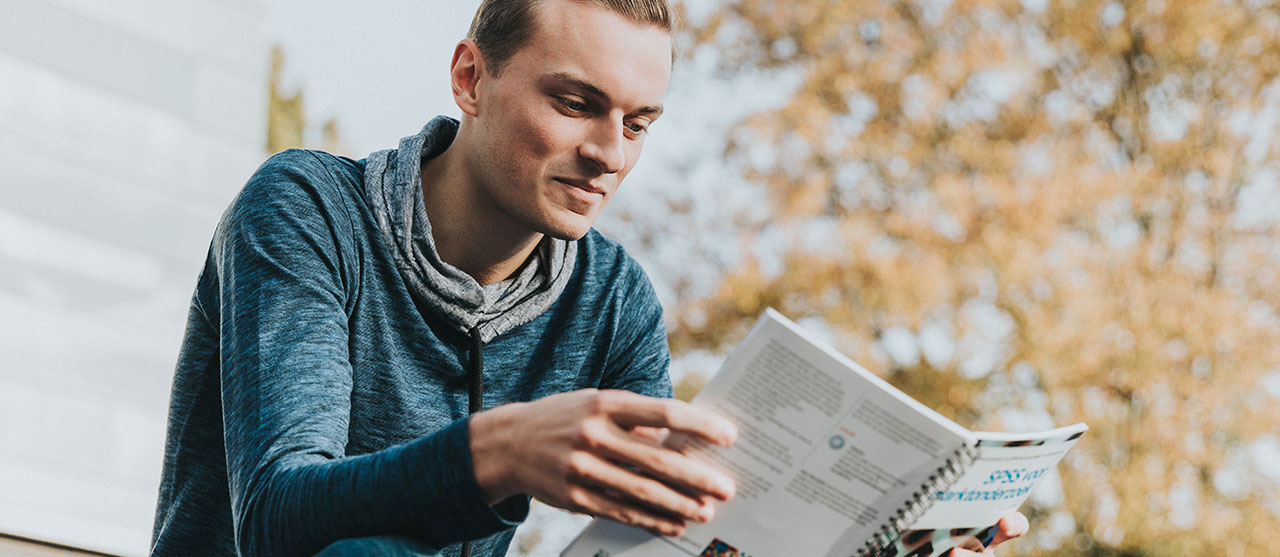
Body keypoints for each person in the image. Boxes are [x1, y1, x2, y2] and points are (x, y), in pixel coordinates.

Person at [151, 0, 1027, 555]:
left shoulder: (613, 301)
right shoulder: (307, 209)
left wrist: (880, 544)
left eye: (639, 123)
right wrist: (502, 451)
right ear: (471, 77)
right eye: (575, 104)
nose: (610, 153)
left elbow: (658, 545)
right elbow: (272, 517)